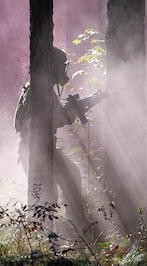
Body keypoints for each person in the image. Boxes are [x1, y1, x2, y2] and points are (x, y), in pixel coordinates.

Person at [14, 47, 104, 236]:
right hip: (37, 149)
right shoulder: (39, 90)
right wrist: (80, 107)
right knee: (47, 192)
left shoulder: (37, 88)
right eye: (60, 66)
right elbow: (55, 119)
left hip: (40, 148)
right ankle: (51, 235)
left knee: (69, 176)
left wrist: (84, 103)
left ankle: (76, 225)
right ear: (52, 66)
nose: (63, 71)